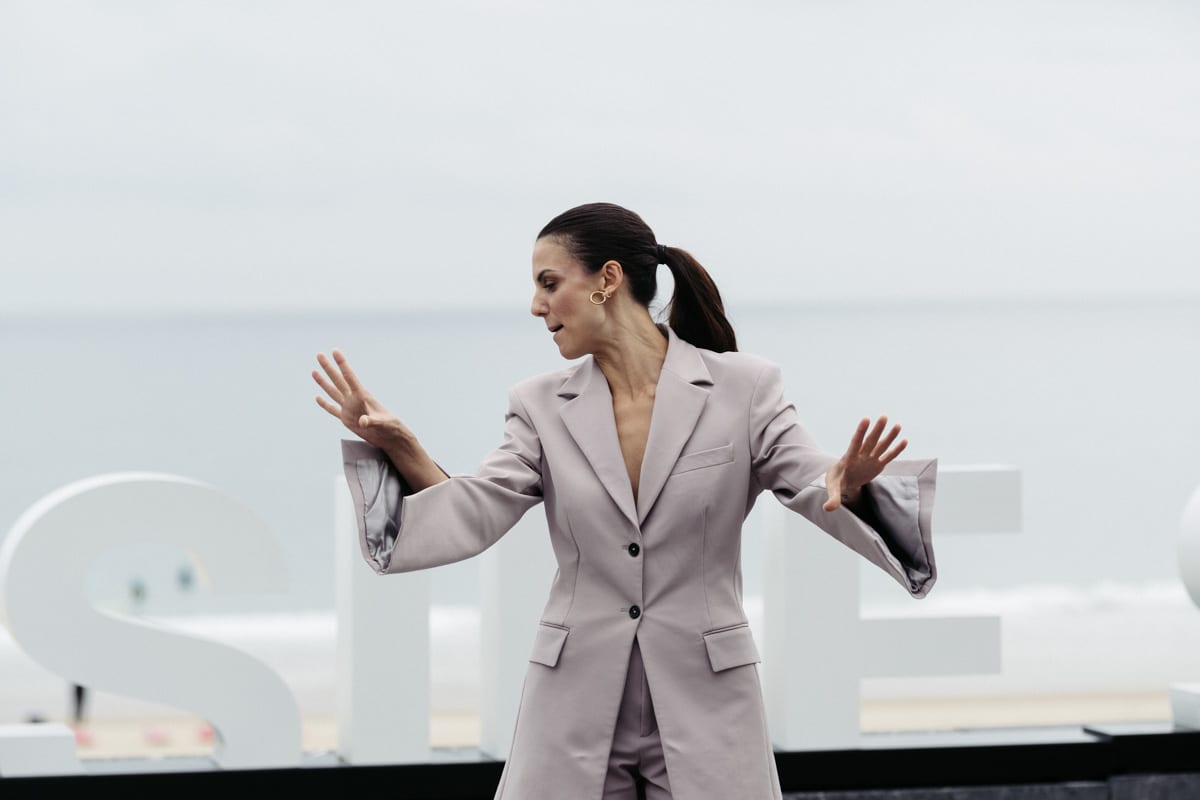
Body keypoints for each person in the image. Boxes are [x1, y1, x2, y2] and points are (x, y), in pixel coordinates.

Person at [313, 202, 938, 800]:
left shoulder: (745, 388)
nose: (536, 305)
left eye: (549, 283)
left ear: (607, 280)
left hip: (707, 697)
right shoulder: (538, 404)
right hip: (573, 696)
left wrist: (851, 483)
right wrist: (403, 447)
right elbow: (481, 508)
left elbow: (813, 480)